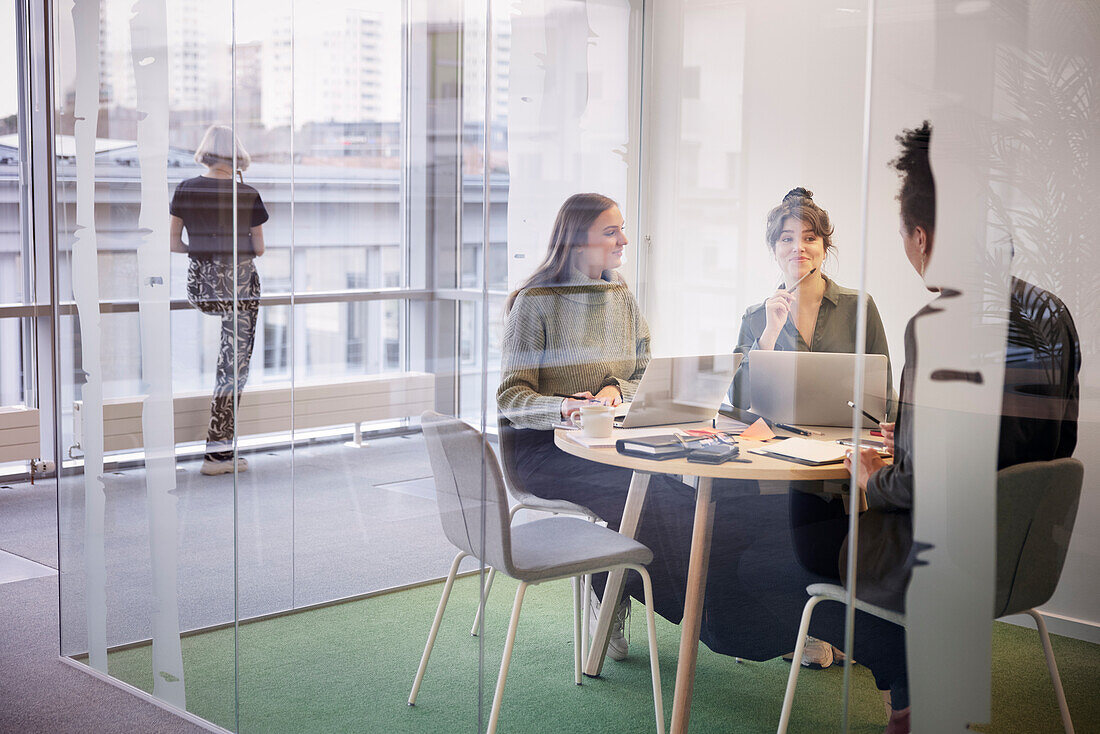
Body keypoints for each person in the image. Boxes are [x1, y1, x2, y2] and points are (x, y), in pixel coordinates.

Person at [814, 121, 1080, 734]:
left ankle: (910, 702)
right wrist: (906, 445)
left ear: (923, 236)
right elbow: (1048, 444)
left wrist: (876, 478)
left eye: (903, 238)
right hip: (1023, 552)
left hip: (944, 559)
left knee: (796, 543)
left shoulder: (941, 323)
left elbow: (922, 487)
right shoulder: (1051, 311)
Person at [497, 193, 699, 661]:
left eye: (622, 228)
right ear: (576, 239)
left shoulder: (620, 296)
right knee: (643, 492)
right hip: (545, 449)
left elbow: (642, 371)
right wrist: (565, 406)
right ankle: (611, 598)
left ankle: (660, 598)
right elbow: (511, 397)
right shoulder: (536, 302)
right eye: (612, 231)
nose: (624, 239)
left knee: (669, 488)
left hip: (608, 440)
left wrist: (613, 391)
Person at [726, 187, 897, 669]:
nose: (798, 248)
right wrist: (768, 334)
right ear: (773, 248)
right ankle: (792, 623)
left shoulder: (859, 306)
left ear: (824, 247)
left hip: (842, 446)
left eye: (809, 238)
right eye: (786, 238)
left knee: (825, 516)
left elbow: (881, 388)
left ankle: (828, 621)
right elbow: (738, 401)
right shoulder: (757, 315)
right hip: (780, 448)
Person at [170, 125, 269, 476]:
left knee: (227, 365)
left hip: (201, 287)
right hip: (240, 288)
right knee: (232, 369)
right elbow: (258, 248)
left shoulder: (185, 188)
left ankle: (218, 453)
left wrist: (200, 251)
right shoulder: (247, 193)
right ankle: (218, 454)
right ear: (236, 156)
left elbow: (173, 243)